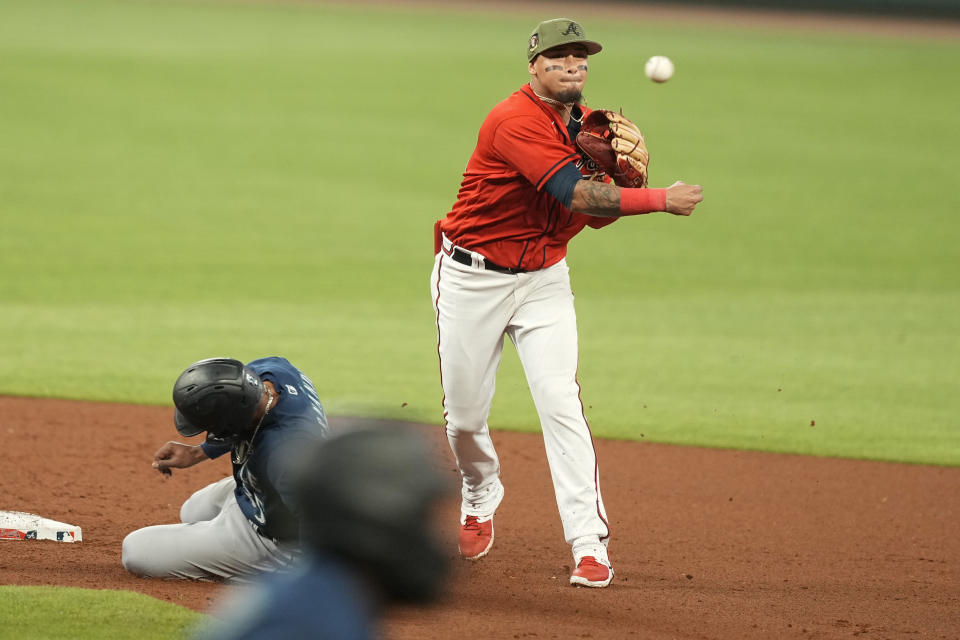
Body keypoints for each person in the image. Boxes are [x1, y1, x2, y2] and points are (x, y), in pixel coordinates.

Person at [430, 18, 703, 588]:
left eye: (580, 57)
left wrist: (617, 172)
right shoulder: (513, 121)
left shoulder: (589, 127)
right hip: (470, 279)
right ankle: (480, 489)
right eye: (558, 57)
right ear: (534, 66)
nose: (572, 65)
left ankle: (589, 544)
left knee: (561, 404)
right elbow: (572, 192)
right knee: (463, 420)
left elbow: (593, 215)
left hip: (544, 280)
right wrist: (657, 198)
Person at [192, 426, 453, 640]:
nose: (430, 538)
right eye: (417, 518)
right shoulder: (316, 623)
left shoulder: (316, 593)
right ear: (368, 525)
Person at [122, 356, 328, 581]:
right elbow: (240, 413)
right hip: (261, 488)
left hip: (274, 540)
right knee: (192, 509)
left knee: (135, 551)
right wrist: (197, 452)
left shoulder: (287, 454)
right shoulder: (272, 372)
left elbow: (324, 521)